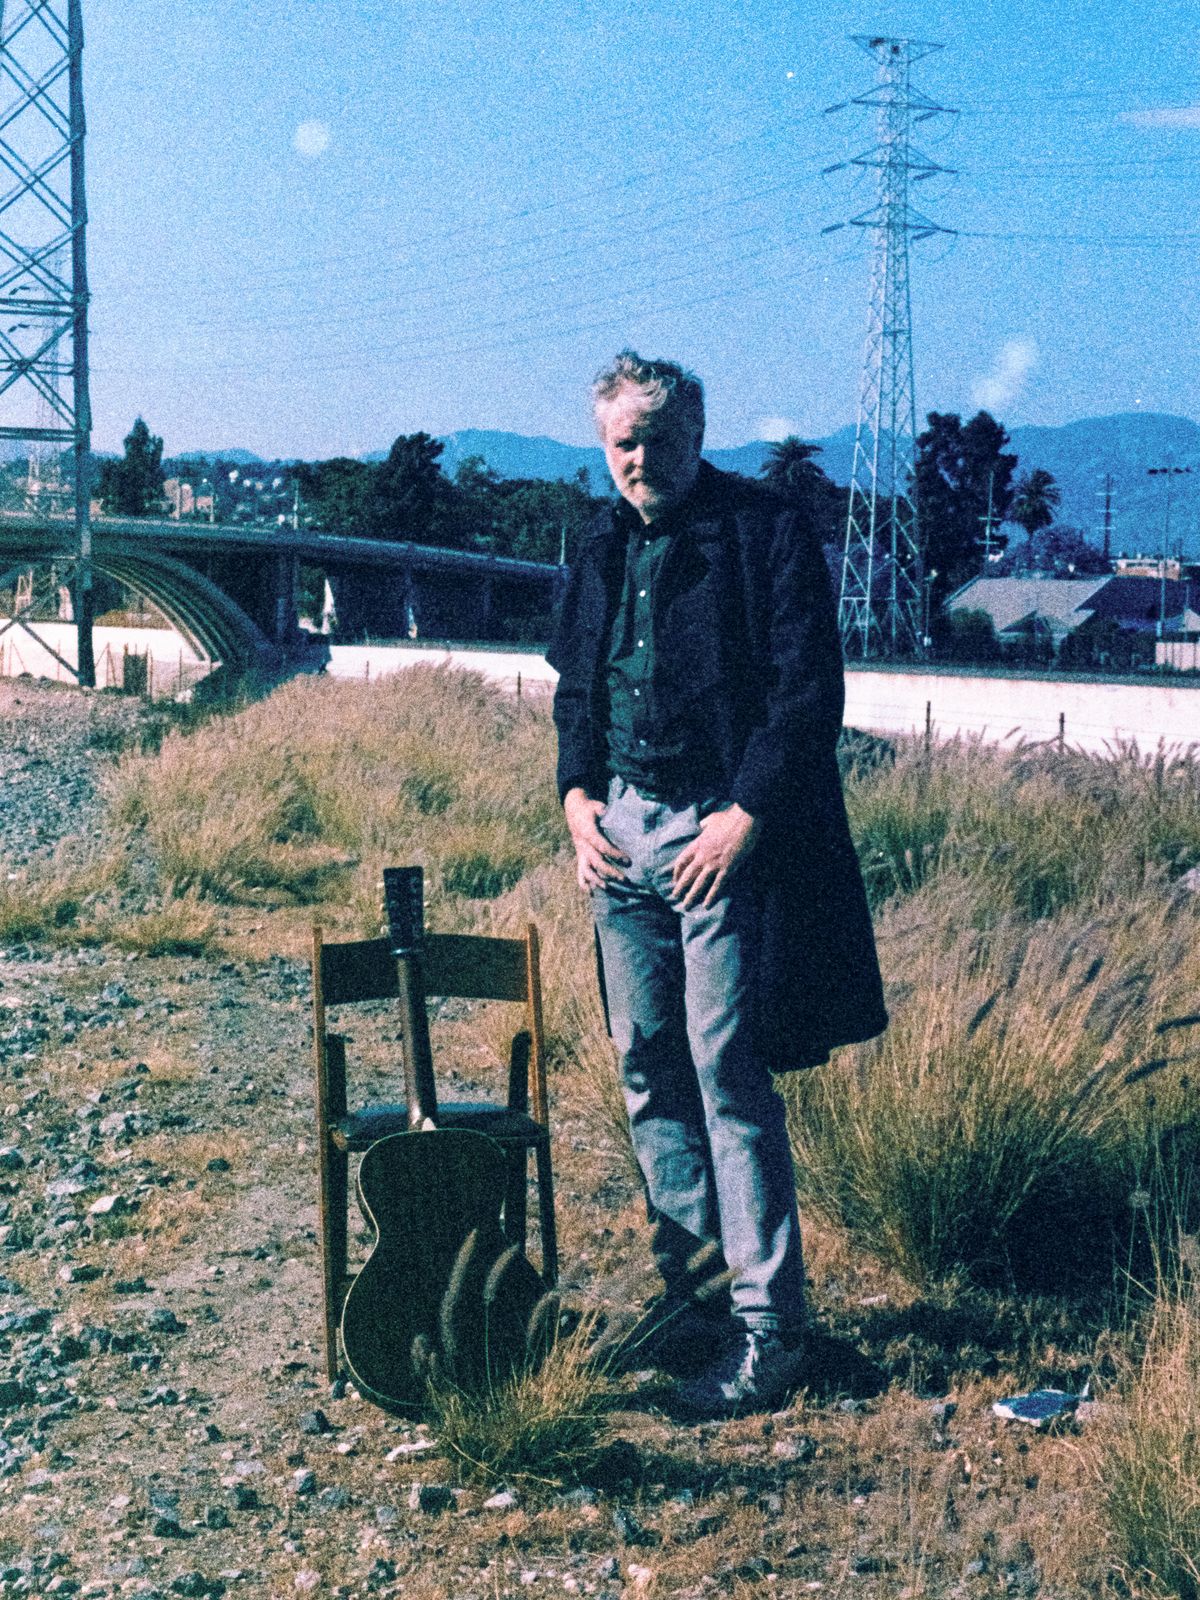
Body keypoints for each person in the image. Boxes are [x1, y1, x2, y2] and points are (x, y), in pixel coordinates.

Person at [547, 350, 887, 1417]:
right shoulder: (598, 539)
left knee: (726, 1072)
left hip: (719, 832)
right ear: (605, 444)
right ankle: (693, 1304)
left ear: (696, 434)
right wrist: (575, 801)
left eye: (658, 439)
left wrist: (745, 816)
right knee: (645, 1067)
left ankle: (770, 1331)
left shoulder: (763, 530)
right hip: (620, 833)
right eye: (623, 443)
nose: (639, 460)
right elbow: (576, 688)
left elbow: (807, 691)